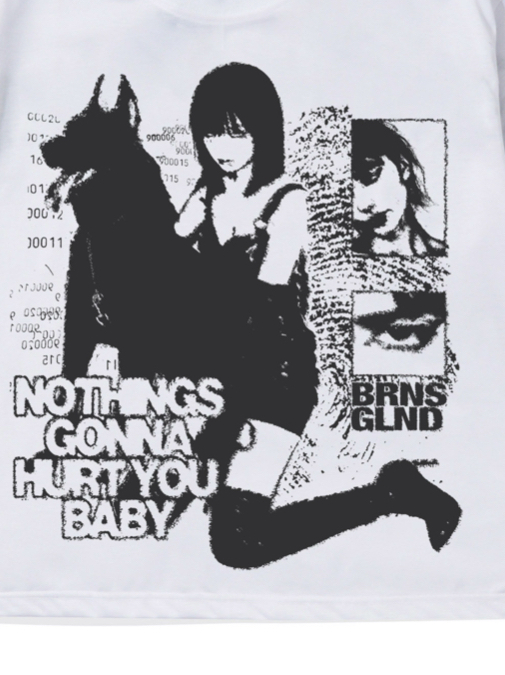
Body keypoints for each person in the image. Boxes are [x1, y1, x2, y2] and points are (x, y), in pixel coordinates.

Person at [178, 63, 461, 567]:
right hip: (219, 370)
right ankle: (394, 489)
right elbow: (157, 272)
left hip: (273, 372)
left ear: (263, 131)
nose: (223, 146)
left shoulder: (287, 201)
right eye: (212, 132)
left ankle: (391, 494)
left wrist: (226, 412)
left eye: (238, 132)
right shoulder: (204, 197)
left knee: (238, 543)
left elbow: (263, 310)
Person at [352, 119, 447, 258]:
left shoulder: (446, 255)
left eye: (369, 176)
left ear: (403, 167)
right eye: (344, 193)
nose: (362, 206)